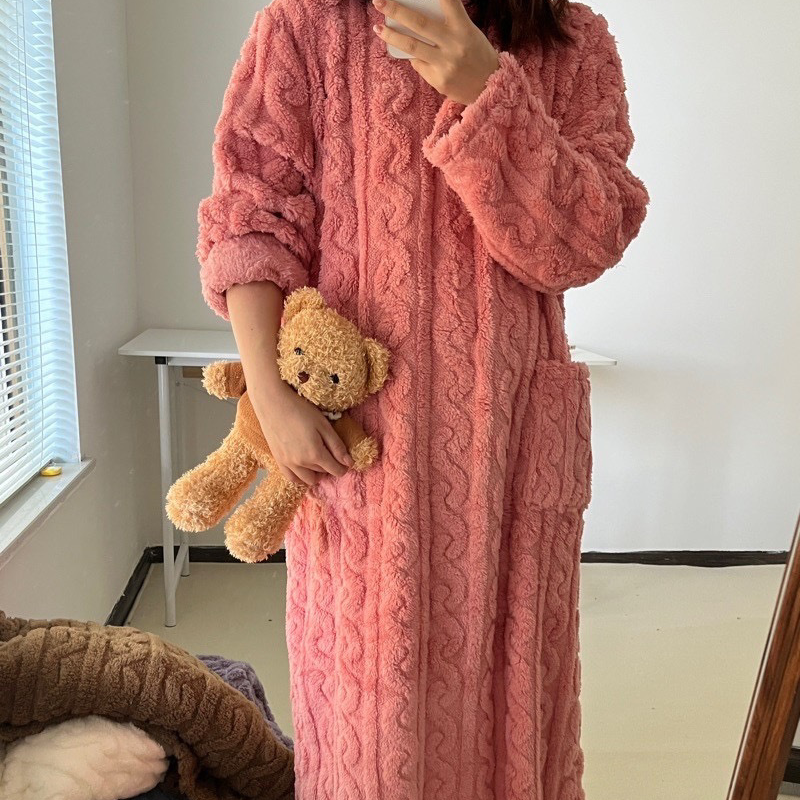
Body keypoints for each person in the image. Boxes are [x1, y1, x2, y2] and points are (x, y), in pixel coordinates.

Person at [195, 0, 649, 797]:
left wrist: (486, 92)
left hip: (512, 449)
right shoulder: (305, 27)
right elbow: (250, 219)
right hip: (363, 443)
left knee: (514, 732)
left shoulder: (573, 38)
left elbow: (587, 242)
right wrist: (268, 395)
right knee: (371, 739)